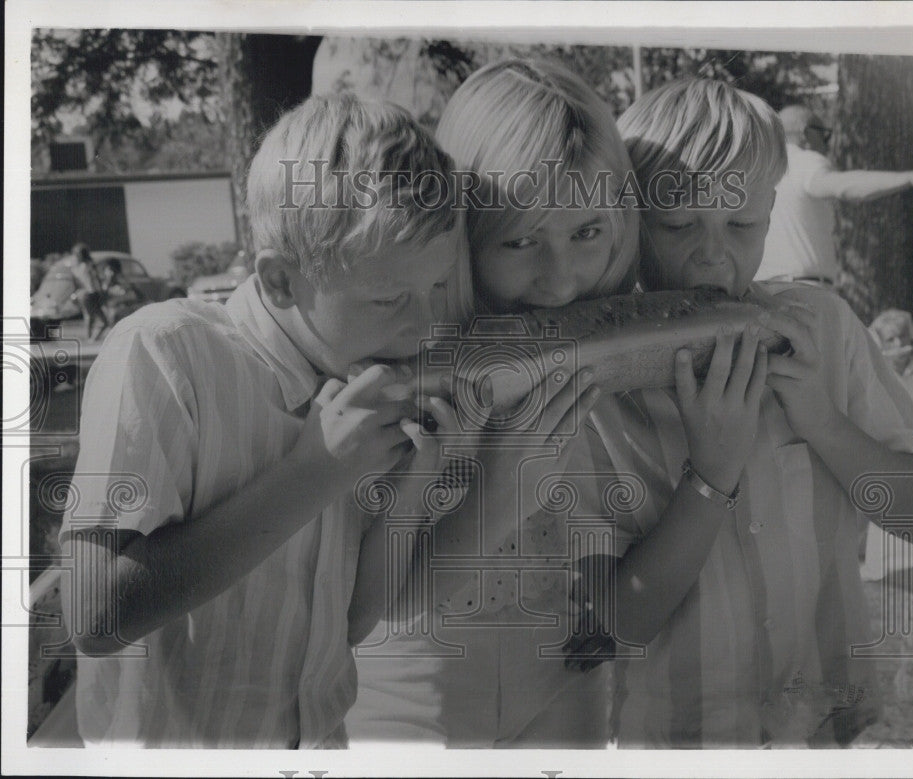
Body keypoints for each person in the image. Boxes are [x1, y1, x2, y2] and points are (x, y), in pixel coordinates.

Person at [59, 93, 468, 748]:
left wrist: (414, 487)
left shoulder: (354, 384)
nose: (423, 327)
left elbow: (351, 623)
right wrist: (315, 474)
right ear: (281, 280)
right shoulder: (165, 354)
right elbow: (94, 613)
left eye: (434, 291)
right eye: (391, 298)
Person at [596, 78, 913, 748]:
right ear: (632, 218)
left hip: (827, 732)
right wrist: (712, 476)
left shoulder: (825, 329)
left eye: (742, 225)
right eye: (678, 226)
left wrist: (824, 422)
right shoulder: (599, 387)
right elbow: (607, 629)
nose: (712, 254)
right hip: (673, 741)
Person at [345, 58, 641, 748]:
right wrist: (499, 491)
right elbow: (377, 599)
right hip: (408, 692)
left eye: (587, 233)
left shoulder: (615, 336)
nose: (561, 278)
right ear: (461, 232)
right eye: (520, 240)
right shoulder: (402, 355)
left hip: (565, 684)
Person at [756, 104, 913, 286]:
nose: (827, 146)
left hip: (761, 294)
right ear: (806, 134)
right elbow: (841, 186)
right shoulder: (803, 161)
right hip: (801, 291)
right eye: (825, 136)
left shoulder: (757, 170)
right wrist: (911, 177)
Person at [69, 242, 111, 341]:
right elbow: (94, 281)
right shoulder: (89, 266)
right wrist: (101, 292)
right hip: (92, 293)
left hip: (82, 294)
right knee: (103, 321)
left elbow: (76, 283)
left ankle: (89, 338)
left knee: (89, 316)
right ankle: (92, 339)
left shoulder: (76, 268)